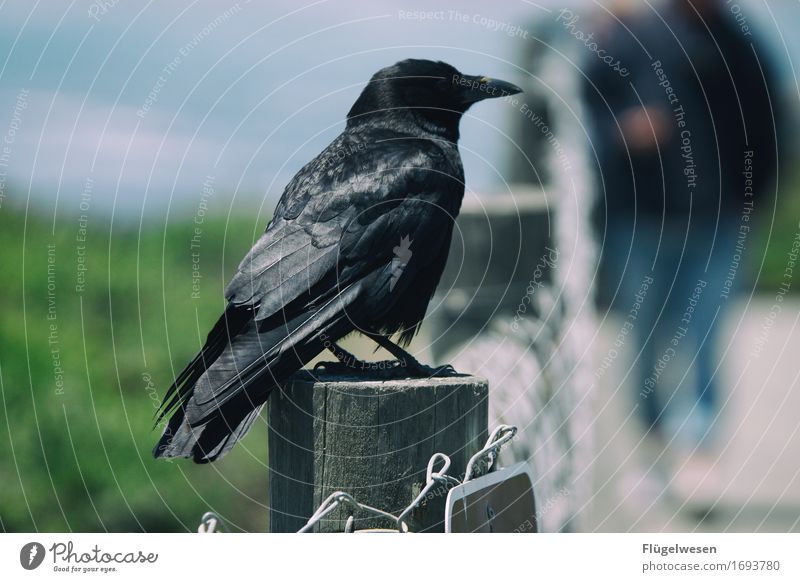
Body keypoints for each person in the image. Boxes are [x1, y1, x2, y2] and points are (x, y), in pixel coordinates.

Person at [583, 0, 782, 505]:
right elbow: (586, 111)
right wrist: (623, 133)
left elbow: (771, 125)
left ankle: (697, 451)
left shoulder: (742, 43)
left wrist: (752, 202)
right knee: (646, 341)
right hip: (641, 218)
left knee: (705, 336)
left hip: (719, 221)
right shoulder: (625, 35)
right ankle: (652, 453)